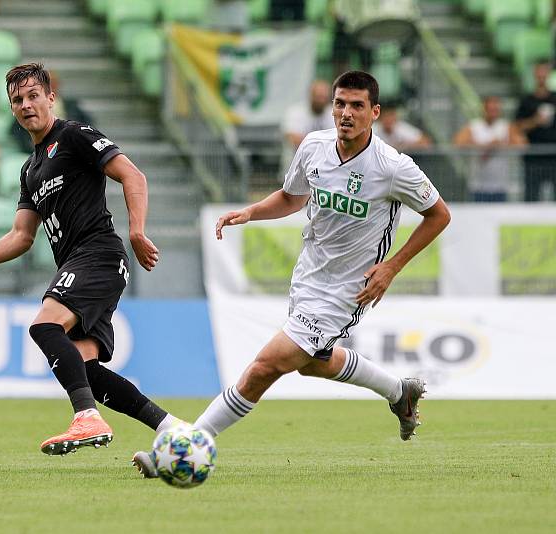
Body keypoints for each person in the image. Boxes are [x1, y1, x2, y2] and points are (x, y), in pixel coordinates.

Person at [131, 71, 452, 477]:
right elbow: (291, 197)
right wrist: (251, 211)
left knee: (266, 366)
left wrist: (392, 267)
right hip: (308, 277)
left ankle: (184, 448)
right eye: (340, 103)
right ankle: (398, 391)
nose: (346, 113)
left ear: (375, 112)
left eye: (356, 106)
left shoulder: (392, 167)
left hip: (347, 291)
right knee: (311, 363)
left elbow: (439, 215)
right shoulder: (314, 146)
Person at [0, 63, 182, 456]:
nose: (25, 105)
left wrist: (137, 230)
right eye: (16, 100)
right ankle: (172, 428)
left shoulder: (73, 135)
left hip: (99, 254)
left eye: (32, 96)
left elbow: (133, 176)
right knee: (86, 369)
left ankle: (86, 417)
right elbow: (22, 235)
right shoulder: (30, 169)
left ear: (50, 97)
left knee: (44, 327)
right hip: (82, 263)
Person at [453, 96, 527, 202]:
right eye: (490, 109)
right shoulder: (474, 126)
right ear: (484, 109)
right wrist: (486, 147)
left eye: (495, 109)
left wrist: (500, 145)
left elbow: (522, 143)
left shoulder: (505, 126)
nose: (492, 112)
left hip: (500, 185)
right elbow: (458, 142)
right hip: (478, 185)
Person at [514, 61, 556, 201]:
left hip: (553, 157)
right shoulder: (527, 100)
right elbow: (517, 127)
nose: (542, 75)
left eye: (545, 72)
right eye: (539, 72)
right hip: (533, 158)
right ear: (535, 74)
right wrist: (535, 121)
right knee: (531, 197)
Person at [280, 80, 334, 172]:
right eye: (318, 97)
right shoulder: (295, 112)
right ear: (311, 95)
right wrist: (326, 143)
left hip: (324, 171)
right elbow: (294, 139)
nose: (321, 100)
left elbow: (339, 140)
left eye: (324, 97)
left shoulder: (333, 113)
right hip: (295, 170)